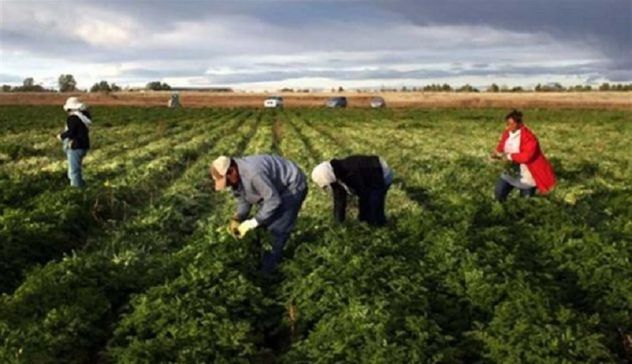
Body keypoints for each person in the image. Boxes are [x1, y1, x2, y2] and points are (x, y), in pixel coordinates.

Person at [210, 154, 308, 274]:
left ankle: (267, 273)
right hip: (274, 190)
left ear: (231, 171)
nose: (228, 185)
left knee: (275, 231)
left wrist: (253, 222)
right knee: (262, 227)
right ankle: (261, 261)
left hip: (291, 186)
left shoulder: (253, 174)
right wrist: (237, 218)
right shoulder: (236, 178)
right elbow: (244, 200)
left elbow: (273, 200)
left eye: (227, 181)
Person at [490, 110, 556, 201]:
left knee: (525, 203)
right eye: (507, 123)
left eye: (511, 124)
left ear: (519, 123)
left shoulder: (529, 137)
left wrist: (510, 156)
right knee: (499, 193)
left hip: (527, 174)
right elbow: (502, 145)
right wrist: (496, 152)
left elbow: (526, 156)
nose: (508, 126)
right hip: (510, 171)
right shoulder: (507, 133)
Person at [311, 155, 393, 226]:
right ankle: (369, 222)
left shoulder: (350, 172)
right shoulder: (336, 173)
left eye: (326, 185)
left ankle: (382, 225)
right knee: (366, 214)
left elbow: (364, 194)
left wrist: (362, 217)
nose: (327, 188)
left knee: (373, 207)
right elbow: (339, 199)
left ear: (327, 177)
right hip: (368, 174)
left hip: (380, 172)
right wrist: (338, 222)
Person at [57, 97, 91, 187]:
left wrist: (61, 136)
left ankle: (76, 190)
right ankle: (81, 185)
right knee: (76, 169)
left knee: (74, 171)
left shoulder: (73, 118)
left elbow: (71, 132)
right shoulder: (83, 117)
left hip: (75, 146)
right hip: (83, 145)